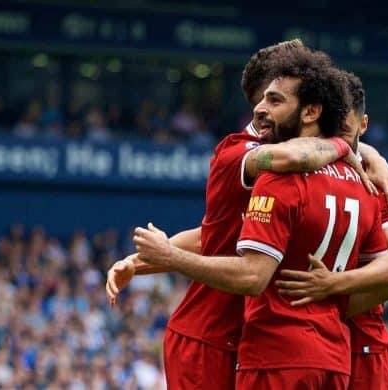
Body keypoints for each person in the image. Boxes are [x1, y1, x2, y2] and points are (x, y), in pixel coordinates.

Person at [108, 41, 372, 390]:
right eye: (260, 100)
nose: (262, 110)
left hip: (263, 343)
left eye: (274, 100)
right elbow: (291, 159)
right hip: (211, 337)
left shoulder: (310, 166)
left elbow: (213, 235)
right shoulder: (240, 153)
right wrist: (347, 146)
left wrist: (145, 260)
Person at [275, 72, 388, 390]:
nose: (335, 144)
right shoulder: (295, 168)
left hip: (361, 346)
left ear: (363, 125)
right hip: (302, 344)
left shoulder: (383, 187)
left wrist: (330, 287)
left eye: (344, 133)